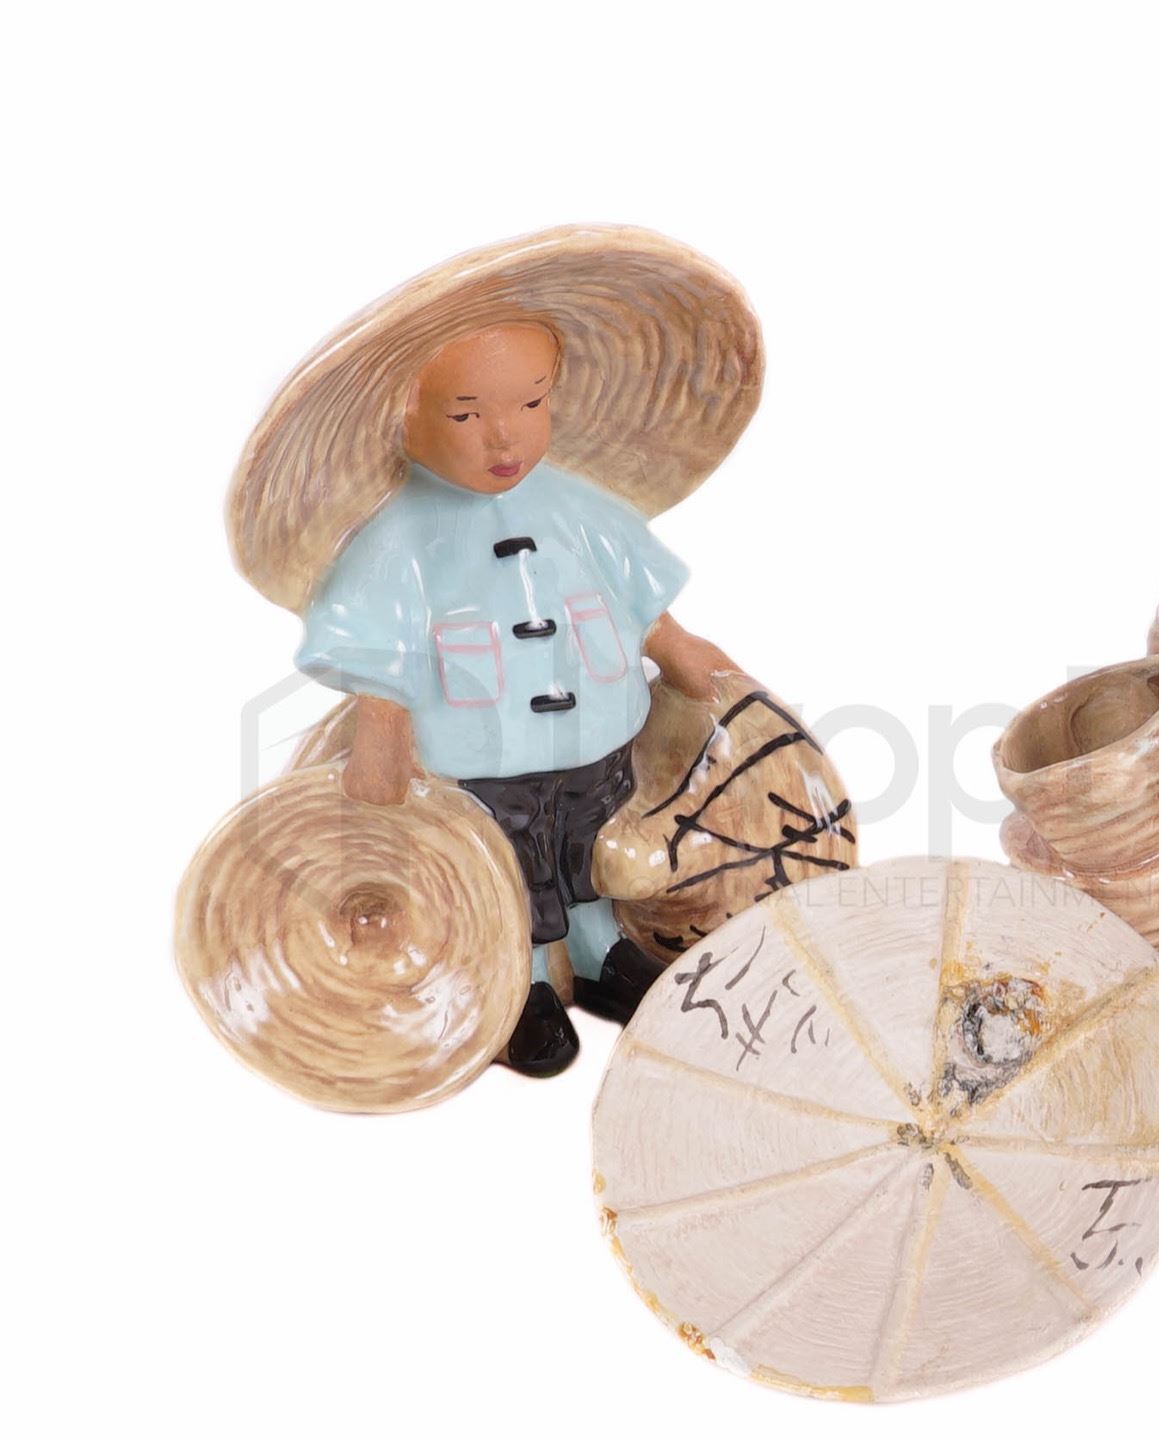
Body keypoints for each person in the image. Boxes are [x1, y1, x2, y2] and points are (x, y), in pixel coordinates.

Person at [228, 227, 764, 1077]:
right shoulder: (398, 539)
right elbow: (380, 650)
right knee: (506, 866)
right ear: (404, 414)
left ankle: (596, 950)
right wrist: (381, 734)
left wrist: (674, 643)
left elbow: (631, 586)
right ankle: (524, 981)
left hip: (598, 735)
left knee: (589, 846)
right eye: (466, 414)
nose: (504, 438)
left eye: (531, 404)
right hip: (478, 757)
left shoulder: (576, 506)